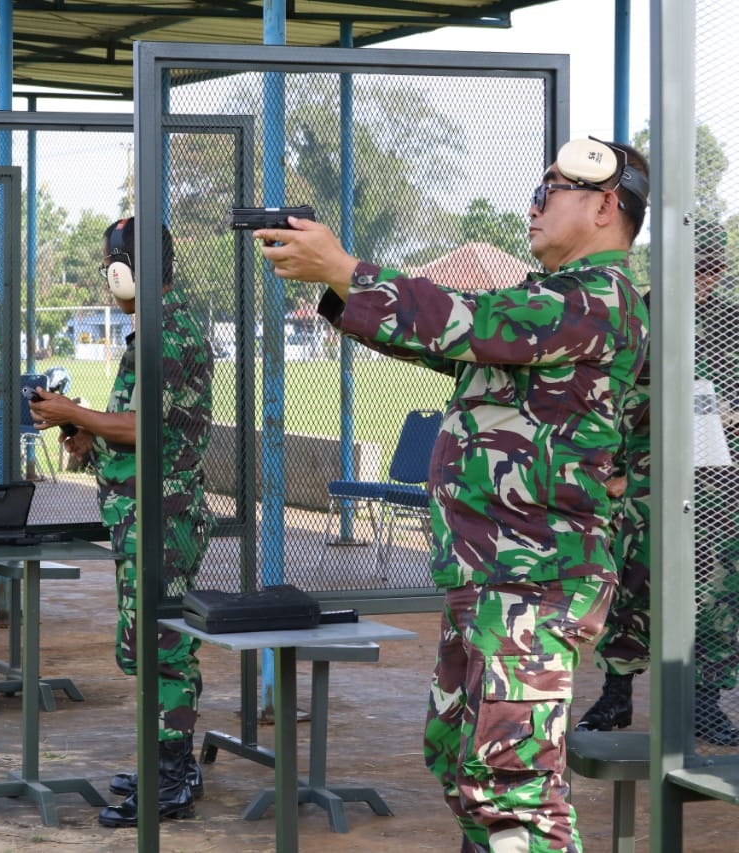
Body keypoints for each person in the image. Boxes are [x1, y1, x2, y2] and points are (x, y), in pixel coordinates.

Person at [255, 137, 650, 852]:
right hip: (493, 575)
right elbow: (447, 337)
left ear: (603, 205)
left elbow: (461, 321)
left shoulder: (597, 296)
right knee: (459, 758)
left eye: (553, 189)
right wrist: (341, 284)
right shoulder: (549, 302)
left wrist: (346, 267)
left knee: (512, 790)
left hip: (535, 580)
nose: (533, 202)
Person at [28, 217, 214, 827]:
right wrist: (87, 436)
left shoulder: (167, 333)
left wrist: (69, 409)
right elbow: (130, 432)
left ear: (124, 268)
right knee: (149, 648)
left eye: (112, 265)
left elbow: (146, 429)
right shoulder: (156, 328)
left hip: (162, 514)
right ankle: (170, 762)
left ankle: (171, 774)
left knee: (161, 649)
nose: (110, 279)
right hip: (144, 510)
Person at [577, 222, 739, 746]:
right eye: (694, 268)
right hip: (648, 477)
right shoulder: (634, 318)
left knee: (721, 590)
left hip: (718, 480)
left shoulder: (726, 323)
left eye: (711, 269)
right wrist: (617, 472)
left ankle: (705, 702)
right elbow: (606, 400)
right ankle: (617, 694)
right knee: (636, 580)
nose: (704, 280)